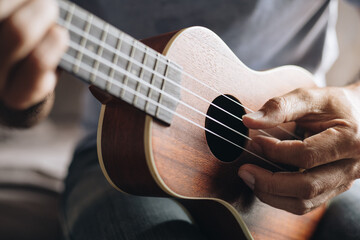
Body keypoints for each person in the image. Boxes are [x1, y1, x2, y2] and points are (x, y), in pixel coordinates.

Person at [0, 0, 360, 239]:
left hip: (303, 146)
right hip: (118, 156)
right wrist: (19, 94)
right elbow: (34, 54)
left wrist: (355, 104)